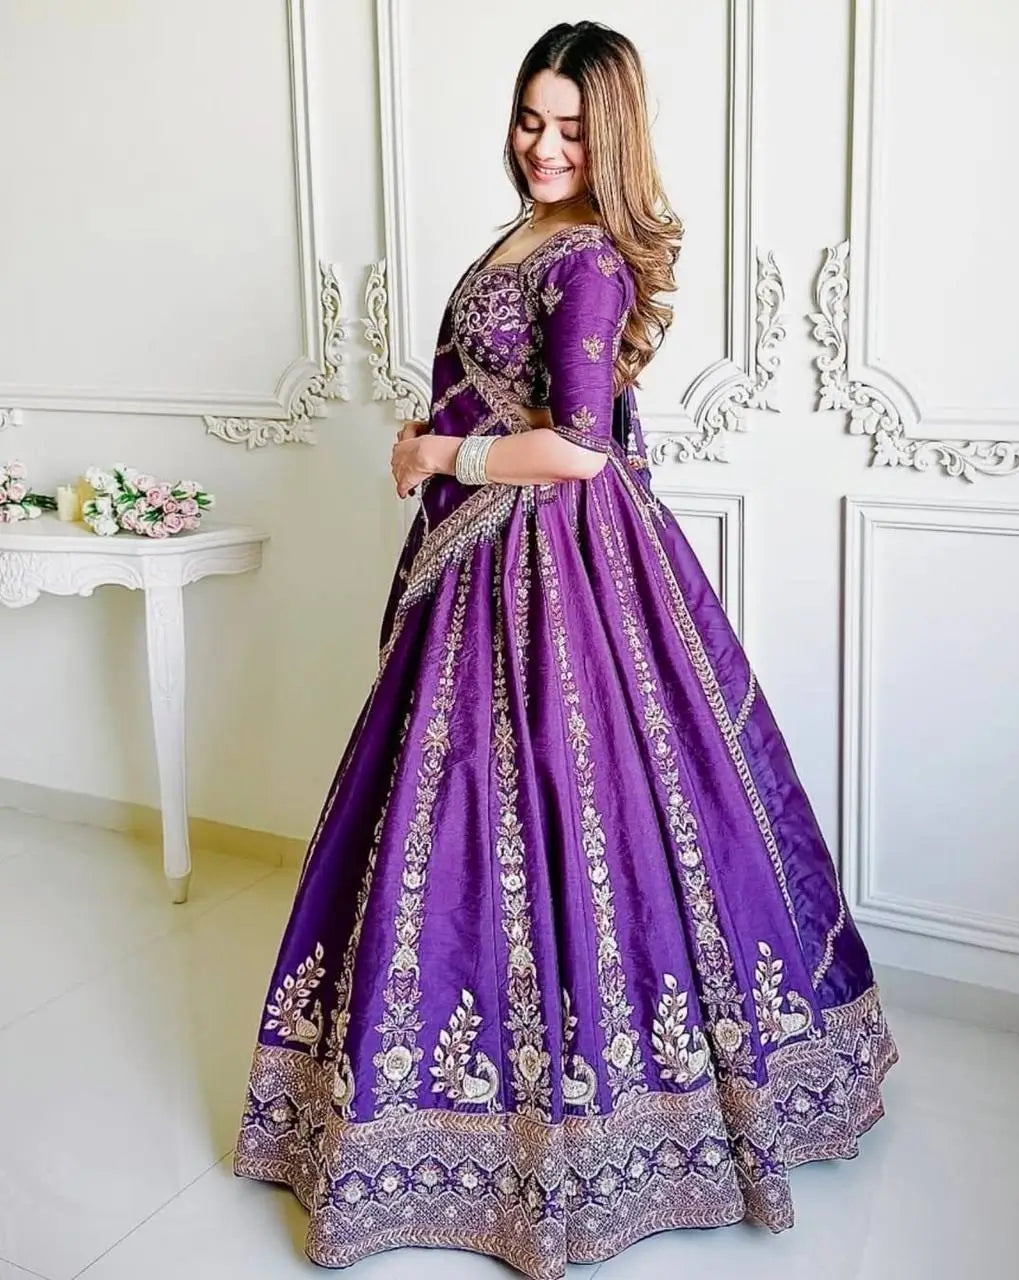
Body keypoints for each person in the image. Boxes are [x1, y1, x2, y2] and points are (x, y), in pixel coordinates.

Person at [233, 21, 896, 1280]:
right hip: (485, 551)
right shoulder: (523, 233)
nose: (543, 145)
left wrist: (442, 453)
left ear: (612, 136)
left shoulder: (587, 254)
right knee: (459, 811)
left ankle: (600, 1125)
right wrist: (433, 439)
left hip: (554, 564)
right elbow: (509, 390)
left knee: (569, 799)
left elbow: (581, 447)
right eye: (531, 119)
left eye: (572, 129)